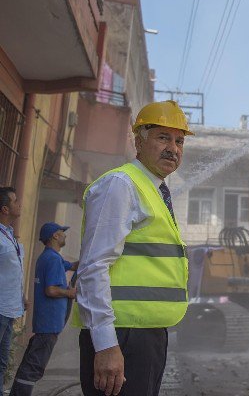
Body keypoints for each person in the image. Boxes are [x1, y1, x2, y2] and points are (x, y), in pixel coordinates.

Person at [72, 101, 193, 396]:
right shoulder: (121, 185)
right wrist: (106, 344)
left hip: (145, 334)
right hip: (122, 336)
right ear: (138, 140)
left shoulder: (152, 189)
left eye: (179, 141)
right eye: (163, 137)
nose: (173, 149)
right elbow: (93, 266)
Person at [9, 223, 78, 395]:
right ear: (55, 236)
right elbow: (51, 290)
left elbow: (72, 265)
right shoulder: (53, 259)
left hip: (46, 323)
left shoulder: (49, 257)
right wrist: (70, 293)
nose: (65, 235)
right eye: (63, 232)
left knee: (31, 363)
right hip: (49, 324)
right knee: (34, 366)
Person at [0, 187, 25, 395]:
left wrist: (21, 296)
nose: (20, 204)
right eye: (16, 201)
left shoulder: (11, 236)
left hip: (10, 309)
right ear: (5, 209)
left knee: (2, 362)